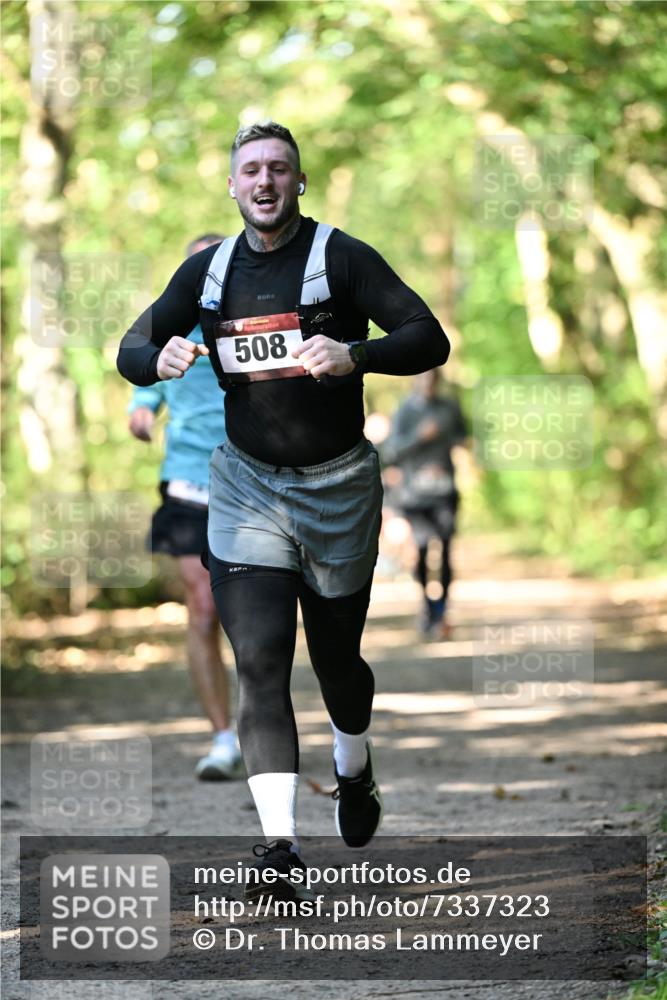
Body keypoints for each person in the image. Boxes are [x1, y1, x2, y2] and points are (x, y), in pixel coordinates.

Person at [117, 121, 449, 898]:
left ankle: (353, 767)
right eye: (251, 170)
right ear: (232, 186)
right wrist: (156, 358)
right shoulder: (207, 273)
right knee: (261, 660)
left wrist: (355, 354)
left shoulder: (341, 257)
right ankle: (278, 845)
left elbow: (427, 337)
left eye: (278, 169)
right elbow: (130, 348)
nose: (264, 181)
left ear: (298, 182)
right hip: (245, 489)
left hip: (337, 488)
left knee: (337, 663)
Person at [128, 233, 243, 782]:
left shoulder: (254, 322)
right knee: (203, 608)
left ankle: (263, 723)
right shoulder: (169, 326)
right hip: (189, 481)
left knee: (255, 616)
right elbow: (143, 376)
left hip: (254, 480)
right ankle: (223, 738)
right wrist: (141, 410)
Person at [384, 369, 466, 638]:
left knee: (446, 550)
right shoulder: (404, 410)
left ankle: (441, 611)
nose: (428, 383)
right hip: (415, 496)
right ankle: (427, 607)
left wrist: (454, 451)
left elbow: (462, 437)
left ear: (438, 381)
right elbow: (392, 451)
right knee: (421, 551)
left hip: (445, 491)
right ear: (415, 380)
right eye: (423, 378)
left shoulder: (449, 408)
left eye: (433, 379)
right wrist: (420, 436)